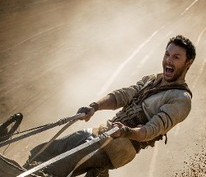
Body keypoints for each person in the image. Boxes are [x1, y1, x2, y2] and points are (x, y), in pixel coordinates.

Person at [24, 35, 196, 177]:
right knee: (45, 152)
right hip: (102, 131)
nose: (169, 60)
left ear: (188, 63)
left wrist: (126, 131)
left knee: (54, 168)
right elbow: (122, 96)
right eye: (167, 54)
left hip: (120, 147)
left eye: (176, 57)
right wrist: (94, 107)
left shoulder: (181, 99)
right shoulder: (151, 79)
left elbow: (151, 130)